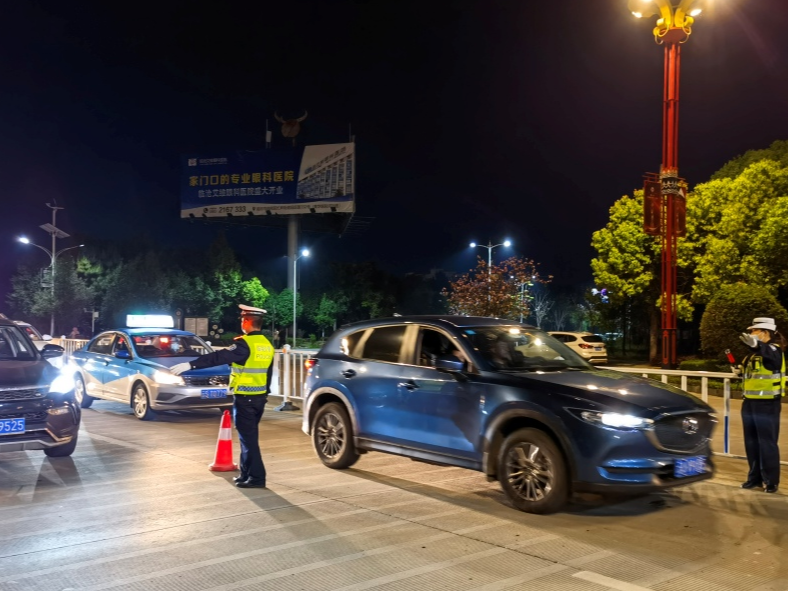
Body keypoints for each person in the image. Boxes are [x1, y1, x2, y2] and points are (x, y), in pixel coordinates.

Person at [171, 304, 275, 489]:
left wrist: (191, 365)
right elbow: (268, 372)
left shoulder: (245, 344)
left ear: (247, 321)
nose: (242, 322)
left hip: (245, 397)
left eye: (243, 319)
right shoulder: (266, 345)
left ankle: (257, 478)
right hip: (259, 398)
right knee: (247, 438)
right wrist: (265, 394)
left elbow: (218, 357)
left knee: (249, 440)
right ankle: (246, 475)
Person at [737, 317, 786, 493]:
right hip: (749, 402)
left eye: (754, 331)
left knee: (767, 443)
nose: (751, 334)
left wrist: (757, 346)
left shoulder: (774, 350)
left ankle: (771, 481)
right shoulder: (752, 354)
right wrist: (739, 372)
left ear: (765, 333)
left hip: (767, 404)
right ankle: (755, 478)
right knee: (751, 442)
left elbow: (771, 358)